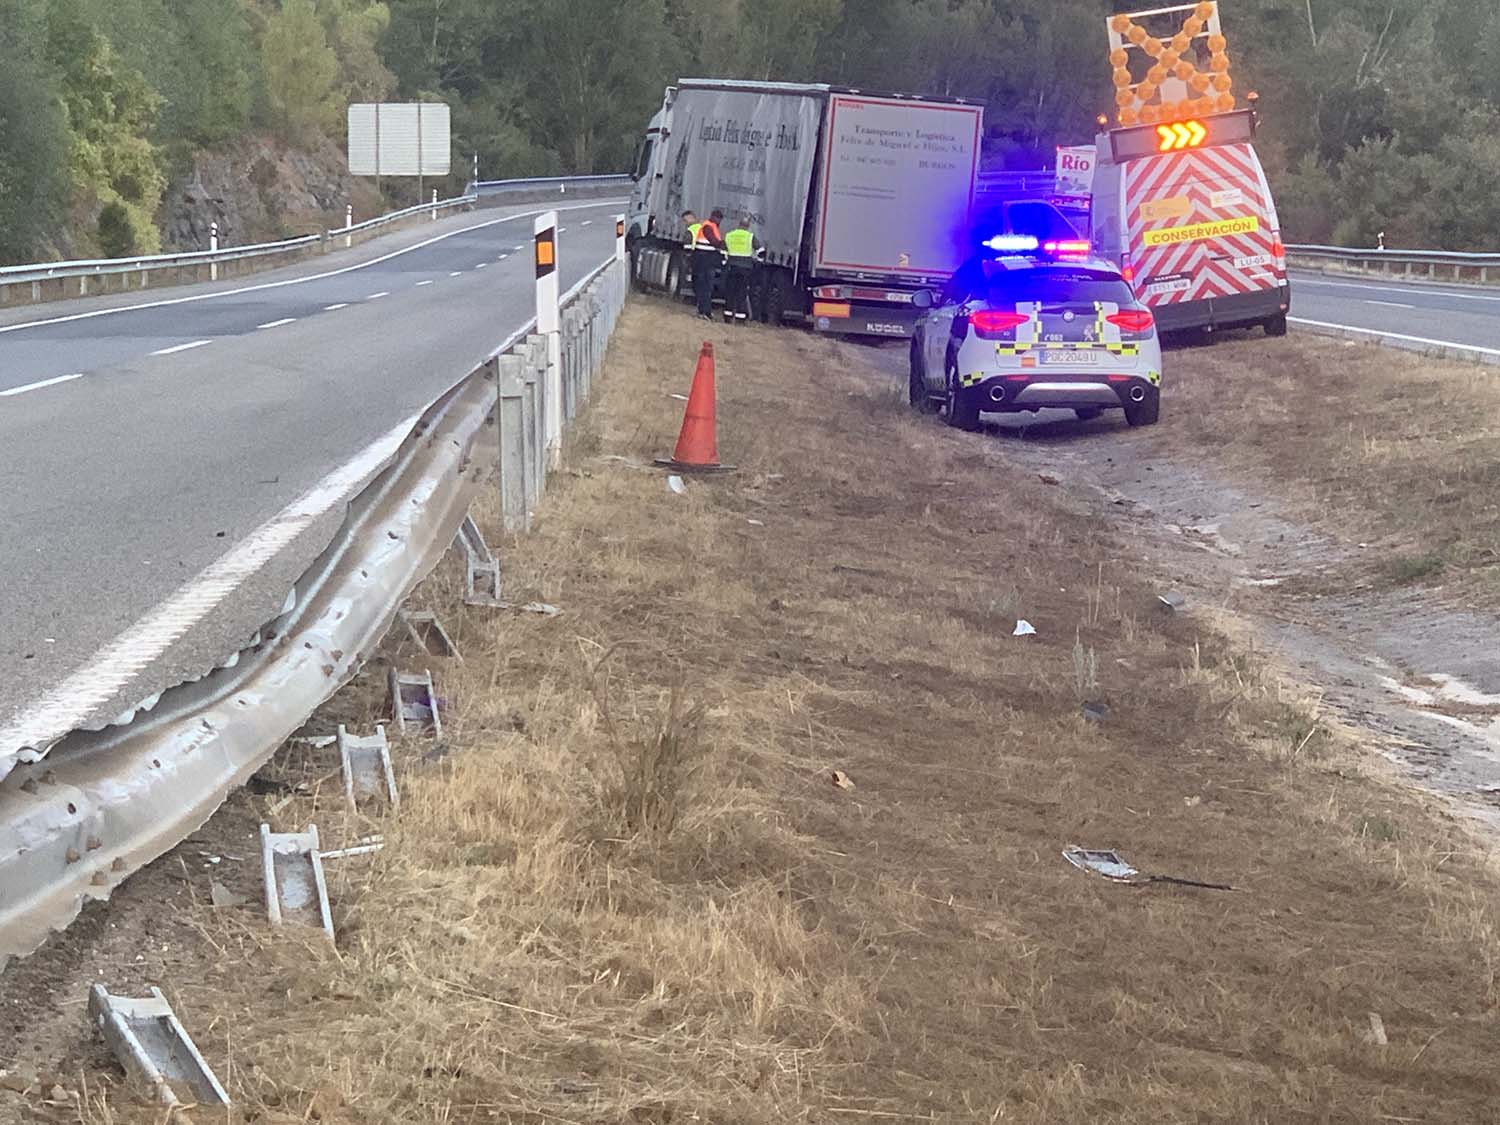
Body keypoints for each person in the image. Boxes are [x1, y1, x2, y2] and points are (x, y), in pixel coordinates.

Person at [721, 213, 764, 323]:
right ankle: (740, 318)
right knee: (741, 293)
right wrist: (758, 263)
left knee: (730, 292)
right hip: (745, 268)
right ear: (748, 226)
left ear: (738, 225)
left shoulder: (729, 235)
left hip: (732, 267)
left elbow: (723, 251)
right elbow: (761, 251)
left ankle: (728, 316)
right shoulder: (750, 237)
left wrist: (725, 262)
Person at [691, 209, 725, 320]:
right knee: (706, 287)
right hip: (704, 260)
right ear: (715, 218)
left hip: (706, 260)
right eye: (719, 219)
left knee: (706, 287)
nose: (719, 222)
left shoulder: (711, 226)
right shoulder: (708, 226)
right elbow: (713, 241)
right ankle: (705, 311)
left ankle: (704, 311)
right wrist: (723, 244)